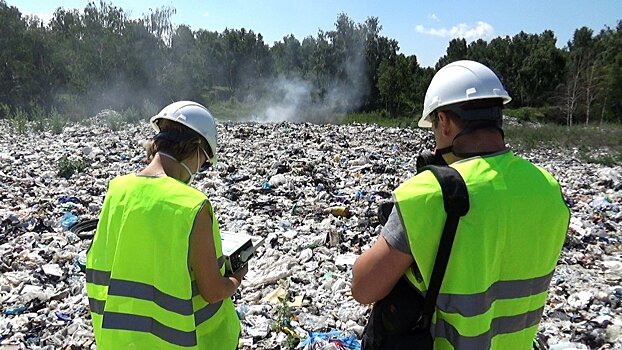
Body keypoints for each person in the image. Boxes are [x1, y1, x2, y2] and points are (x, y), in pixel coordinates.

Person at [351, 60, 570, 349]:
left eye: (433, 126)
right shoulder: (547, 188)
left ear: (444, 121)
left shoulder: (429, 194)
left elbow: (364, 288)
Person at [86, 101, 247, 349]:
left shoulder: (117, 190)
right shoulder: (192, 205)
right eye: (204, 162)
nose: (199, 169)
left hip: (120, 342)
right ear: (196, 148)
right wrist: (236, 278)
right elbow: (213, 291)